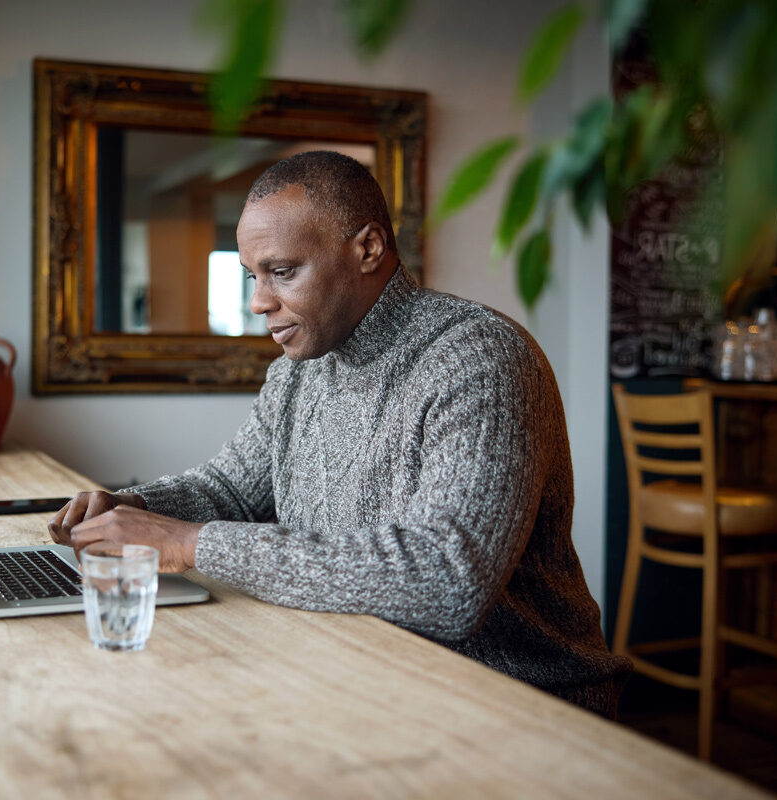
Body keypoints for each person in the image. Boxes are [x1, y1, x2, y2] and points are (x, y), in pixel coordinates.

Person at [49, 150, 631, 717]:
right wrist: (134, 508)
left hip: (514, 707)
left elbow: (446, 580)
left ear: (368, 249)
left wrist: (190, 543)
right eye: (252, 276)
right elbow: (229, 489)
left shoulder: (479, 360)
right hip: (367, 680)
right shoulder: (297, 373)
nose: (258, 302)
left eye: (282, 272)